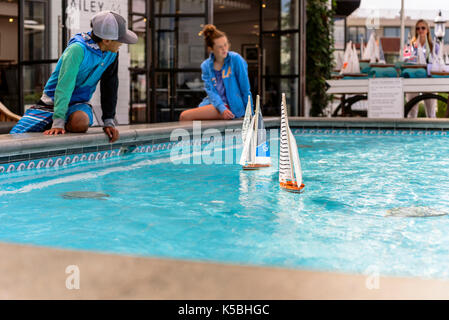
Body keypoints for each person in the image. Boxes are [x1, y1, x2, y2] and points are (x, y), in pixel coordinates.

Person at [10, 11, 138, 142]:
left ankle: (61, 127)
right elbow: (65, 85)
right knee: (15, 136)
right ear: (106, 40)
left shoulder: (112, 54)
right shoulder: (77, 49)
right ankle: (52, 124)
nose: (122, 44)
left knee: (81, 121)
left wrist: (109, 121)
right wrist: (58, 122)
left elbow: (110, 86)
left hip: (78, 103)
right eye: (120, 40)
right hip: (52, 103)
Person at [179, 24, 253, 121]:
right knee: (194, 121)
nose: (224, 49)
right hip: (215, 105)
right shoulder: (206, 66)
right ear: (211, 49)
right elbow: (211, 92)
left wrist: (251, 114)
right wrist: (222, 109)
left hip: (231, 106)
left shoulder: (235, 59)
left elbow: (245, 89)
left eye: (226, 44)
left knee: (184, 116)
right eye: (220, 47)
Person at [406, 19, 439, 118]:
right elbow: (406, 61)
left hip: (429, 80)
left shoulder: (434, 46)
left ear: (427, 30)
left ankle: (433, 132)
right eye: (418, 28)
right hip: (413, 79)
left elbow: (437, 63)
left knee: (431, 111)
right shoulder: (410, 45)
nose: (420, 30)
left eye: (423, 28)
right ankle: (409, 131)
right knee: (412, 110)